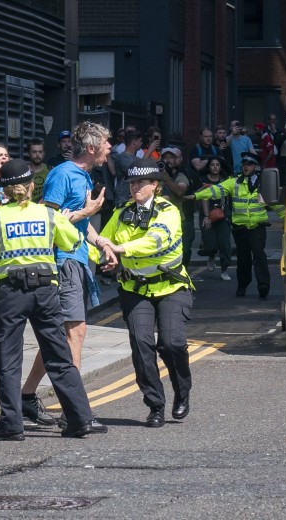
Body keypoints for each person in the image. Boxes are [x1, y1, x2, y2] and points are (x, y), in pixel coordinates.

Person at [0, 159, 106, 440]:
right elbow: (71, 242)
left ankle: (11, 425)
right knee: (59, 357)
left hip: (10, 294)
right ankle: (80, 420)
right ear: (32, 187)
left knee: (8, 360)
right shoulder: (47, 215)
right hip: (46, 292)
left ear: (4, 191)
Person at [19, 121, 114, 427]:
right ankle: (74, 410)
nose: (110, 147)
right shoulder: (62, 174)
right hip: (62, 261)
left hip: (78, 258)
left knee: (60, 337)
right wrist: (85, 213)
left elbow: (78, 225)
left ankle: (27, 397)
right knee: (74, 332)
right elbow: (47, 220)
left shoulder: (84, 176)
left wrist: (100, 241)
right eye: (106, 143)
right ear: (91, 147)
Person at [98, 158, 194, 427]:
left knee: (171, 344)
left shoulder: (169, 211)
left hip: (171, 286)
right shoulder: (122, 212)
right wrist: (105, 253)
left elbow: (156, 240)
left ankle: (182, 392)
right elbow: (105, 240)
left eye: (141, 182)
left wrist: (120, 250)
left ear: (155, 185)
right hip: (135, 288)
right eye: (132, 183)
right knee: (141, 346)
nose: (135, 188)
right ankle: (155, 406)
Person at [191, 152, 284, 298]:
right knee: (243, 258)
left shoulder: (263, 183)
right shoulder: (234, 182)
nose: (246, 167)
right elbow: (214, 190)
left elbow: (276, 204)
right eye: (244, 164)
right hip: (240, 229)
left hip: (257, 227)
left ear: (256, 166)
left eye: (249, 164)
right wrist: (195, 196)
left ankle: (263, 285)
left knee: (259, 254)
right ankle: (243, 284)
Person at [159, 147, 197, 268]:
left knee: (183, 250)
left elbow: (180, 191)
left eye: (171, 157)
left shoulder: (181, 175)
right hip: (159, 218)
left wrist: (166, 179)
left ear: (177, 160)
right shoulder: (156, 175)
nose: (168, 160)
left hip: (179, 219)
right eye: (165, 157)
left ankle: (182, 272)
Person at [197, 156, 232, 280]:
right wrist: (206, 216)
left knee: (225, 244)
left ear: (220, 167)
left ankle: (224, 270)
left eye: (217, 165)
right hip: (208, 213)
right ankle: (211, 255)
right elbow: (203, 197)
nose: (215, 167)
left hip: (223, 214)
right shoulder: (203, 180)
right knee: (211, 244)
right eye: (212, 165)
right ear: (209, 167)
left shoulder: (225, 180)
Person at [112, 129, 143, 207]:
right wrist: (150, 150)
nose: (141, 143)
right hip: (123, 197)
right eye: (140, 141)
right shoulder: (121, 157)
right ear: (134, 142)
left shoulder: (137, 158)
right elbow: (136, 171)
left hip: (135, 196)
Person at [25, 138, 50, 203]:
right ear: (28, 153)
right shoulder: (23, 171)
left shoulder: (50, 170)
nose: (37, 155)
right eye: (34, 152)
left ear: (44, 153)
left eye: (40, 152)